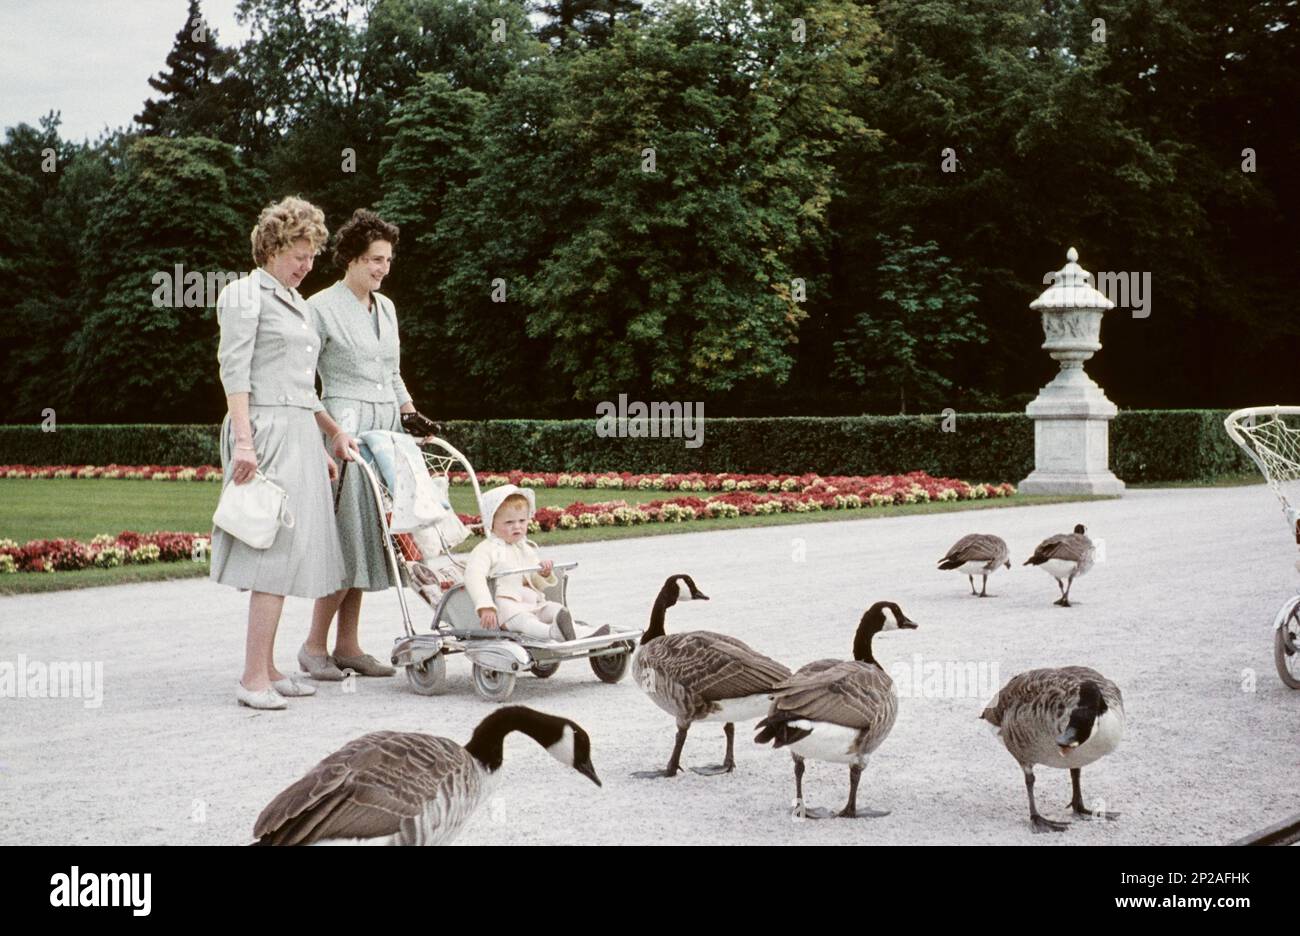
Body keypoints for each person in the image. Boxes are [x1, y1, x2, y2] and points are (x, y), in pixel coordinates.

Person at [210, 196, 355, 710]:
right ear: (272, 246)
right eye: (300, 253)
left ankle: (269, 667)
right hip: (265, 430)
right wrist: (245, 442)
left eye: (313, 255)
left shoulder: (294, 302)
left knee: (291, 551)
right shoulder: (244, 295)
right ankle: (252, 678)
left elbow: (304, 386)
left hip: (296, 430)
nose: (308, 264)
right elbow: (235, 374)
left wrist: (330, 436)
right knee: (270, 552)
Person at [299, 209, 438, 680]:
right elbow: (301, 381)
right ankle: (313, 646)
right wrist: (326, 434)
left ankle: (349, 645)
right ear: (352, 260)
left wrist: (411, 412)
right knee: (348, 540)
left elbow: (392, 372)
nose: (383, 268)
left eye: (388, 261)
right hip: (347, 430)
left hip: (387, 433)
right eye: (376, 260)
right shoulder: (319, 307)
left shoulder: (387, 308)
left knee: (372, 538)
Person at [464, 485, 583, 641]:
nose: (517, 526)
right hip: (506, 607)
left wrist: (543, 572)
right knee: (525, 622)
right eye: (509, 522)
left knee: (556, 609)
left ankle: (578, 631)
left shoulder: (524, 547)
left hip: (533, 602)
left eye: (522, 520)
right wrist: (485, 606)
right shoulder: (486, 550)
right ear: (491, 523)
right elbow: (474, 577)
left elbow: (532, 577)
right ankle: (551, 633)